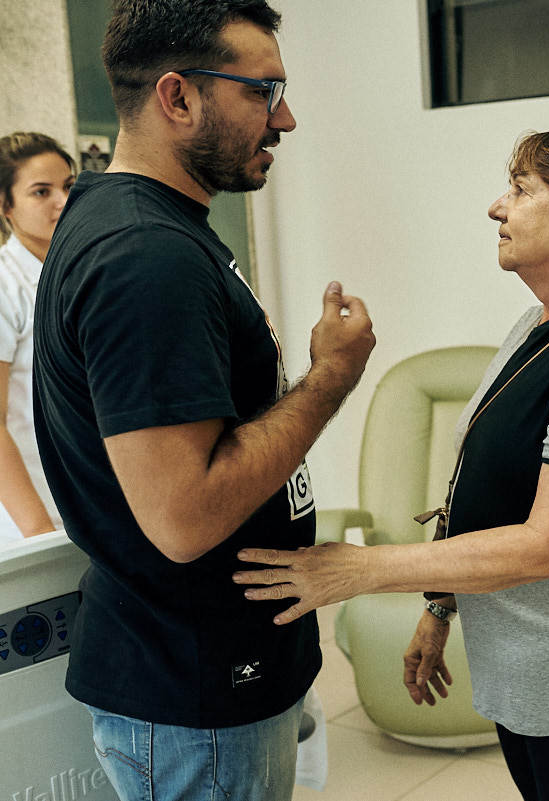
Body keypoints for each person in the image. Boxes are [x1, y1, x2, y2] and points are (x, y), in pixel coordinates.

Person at [233, 119, 549, 801]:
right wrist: (439, 607)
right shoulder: (540, 322)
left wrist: (362, 569)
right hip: (530, 668)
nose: (497, 206)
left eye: (520, 189)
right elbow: (478, 486)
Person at [31, 2, 374, 799]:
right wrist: (329, 380)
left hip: (219, 666)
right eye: (263, 91)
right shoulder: (147, 257)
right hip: (197, 692)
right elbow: (184, 517)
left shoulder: (153, 226)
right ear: (177, 97)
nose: (284, 118)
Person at [0, 132, 74, 542]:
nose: (61, 201)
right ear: (4, 205)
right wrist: (40, 531)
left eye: (67, 186)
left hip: (85, 510)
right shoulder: (4, 284)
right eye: (40, 192)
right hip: (30, 521)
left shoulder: (75, 273)